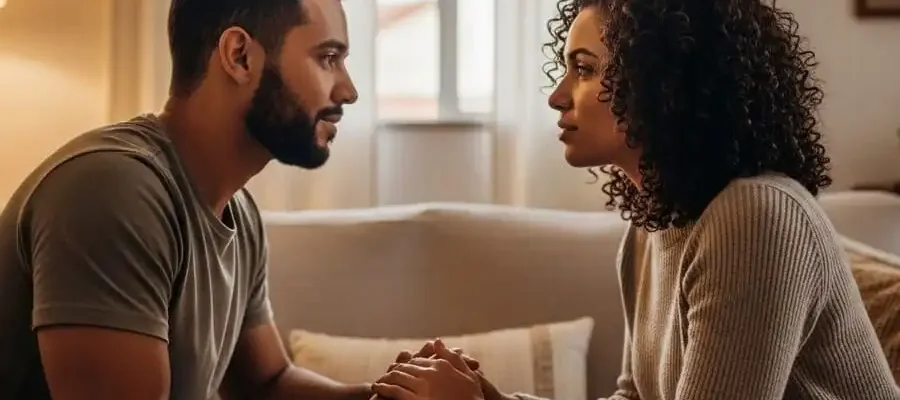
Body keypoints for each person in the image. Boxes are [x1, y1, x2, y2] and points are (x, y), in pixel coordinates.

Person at [371, 1, 900, 400]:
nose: (557, 96)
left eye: (584, 69)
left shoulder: (756, 217)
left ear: (665, 83)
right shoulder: (651, 228)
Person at [0, 0, 377, 399]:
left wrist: (393, 395)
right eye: (327, 58)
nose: (348, 91)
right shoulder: (113, 192)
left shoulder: (239, 213)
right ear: (240, 56)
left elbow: (267, 385)